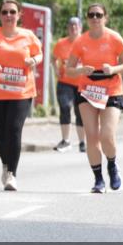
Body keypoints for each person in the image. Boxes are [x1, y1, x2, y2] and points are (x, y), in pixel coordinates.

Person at [66, 2, 123, 194]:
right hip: (87, 91)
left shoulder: (114, 38)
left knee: (107, 135)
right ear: (87, 19)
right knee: (92, 137)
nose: (95, 19)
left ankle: (112, 165)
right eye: (91, 15)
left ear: (105, 17)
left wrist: (113, 69)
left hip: (111, 90)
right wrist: (80, 70)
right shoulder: (80, 41)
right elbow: (68, 70)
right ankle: (98, 179)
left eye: (98, 15)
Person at [0, 0, 42, 192]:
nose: (8, 16)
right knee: (0, 135)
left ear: (19, 15)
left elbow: (40, 53)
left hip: (22, 91)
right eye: (5, 12)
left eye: (12, 12)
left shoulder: (28, 36)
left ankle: (12, 174)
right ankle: (5, 163)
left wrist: (34, 60)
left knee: (14, 130)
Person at [51, 17, 86, 153]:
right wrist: (55, 70)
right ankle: (65, 140)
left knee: (81, 112)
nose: (73, 28)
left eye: (76, 26)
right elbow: (53, 59)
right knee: (65, 108)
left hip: (81, 83)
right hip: (65, 82)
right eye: (71, 26)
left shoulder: (85, 43)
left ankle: (82, 142)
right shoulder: (61, 43)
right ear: (67, 28)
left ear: (81, 28)